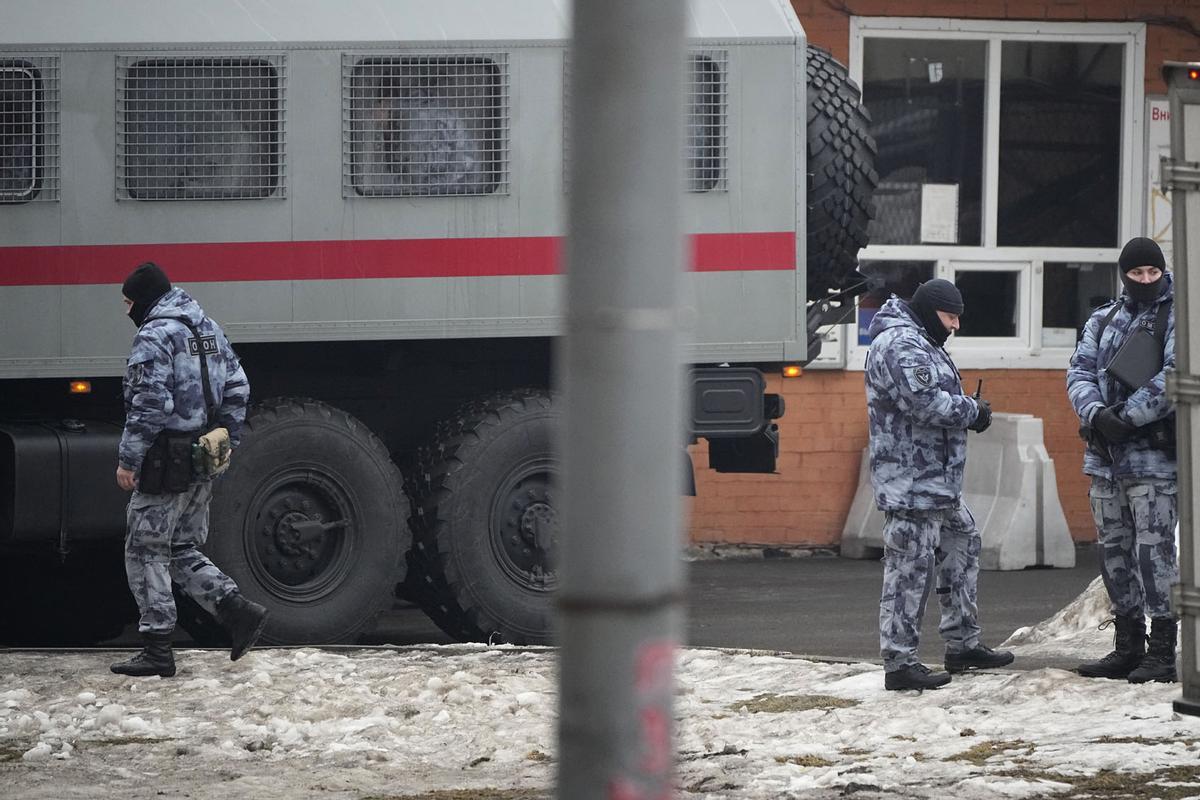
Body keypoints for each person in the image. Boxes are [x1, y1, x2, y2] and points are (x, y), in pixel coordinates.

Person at [111, 262, 268, 678]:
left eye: (128, 302)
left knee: (145, 550)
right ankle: (238, 611)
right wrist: (227, 439)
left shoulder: (155, 334)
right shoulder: (208, 328)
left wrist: (129, 460)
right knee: (181, 547)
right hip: (203, 454)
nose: (126, 310)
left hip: (164, 459)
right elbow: (239, 386)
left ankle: (158, 648)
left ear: (143, 300)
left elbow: (149, 403)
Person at [864, 278, 1015, 690]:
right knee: (909, 569)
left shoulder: (921, 341)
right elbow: (925, 403)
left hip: (936, 484)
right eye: (950, 317)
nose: (955, 326)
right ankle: (899, 663)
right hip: (911, 484)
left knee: (964, 542)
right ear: (932, 311)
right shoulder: (900, 344)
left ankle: (963, 643)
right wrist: (973, 411)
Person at [1067, 237, 1178, 683]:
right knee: (1114, 552)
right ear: (1124, 274)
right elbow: (1078, 371)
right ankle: (1127, 645)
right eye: (1137, 274)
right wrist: (1096, 414)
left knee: (1155, 554)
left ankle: (1162, 650)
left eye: (1153, 273)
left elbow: (1176, 375)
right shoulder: (1104, 317)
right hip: (1105, 458)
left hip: (1154, 459)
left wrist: (1127, 418)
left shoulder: (1178, 316)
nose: (1146, 280)